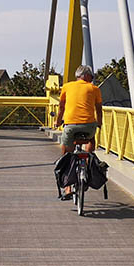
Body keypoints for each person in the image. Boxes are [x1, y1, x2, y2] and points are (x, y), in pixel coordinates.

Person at [55, 65, 103, 199]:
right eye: (91, 77)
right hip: (88, 126)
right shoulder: (94, 89)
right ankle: (87, 162)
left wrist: (58, 121)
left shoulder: (67, 87)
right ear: (86, 76)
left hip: (71, 125)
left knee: (66, 148)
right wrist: (99, 123)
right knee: (91, 139)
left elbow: (61, 107)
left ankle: (67, 187)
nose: (92, 79)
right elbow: (98, 110)